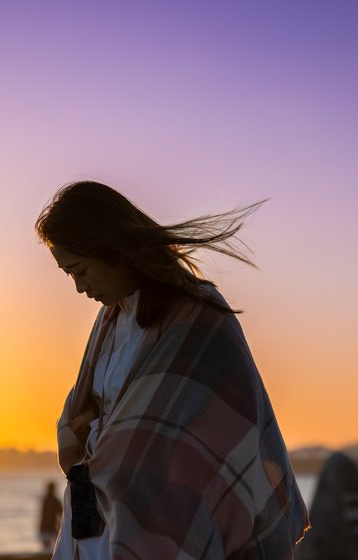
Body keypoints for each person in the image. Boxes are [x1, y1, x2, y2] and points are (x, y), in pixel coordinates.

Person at [35, 181, 309, 559]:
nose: (80, 287)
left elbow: (222, 435)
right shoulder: (109, 321)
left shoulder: (199, 316)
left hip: (169, 519)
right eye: (69, 275)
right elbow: (91, 421)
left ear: (112, 249)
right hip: (96, 521)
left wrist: (120, 453)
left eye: (81, 270)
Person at [39, 481, 63, 550]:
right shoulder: (56, 501)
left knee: (46, 548)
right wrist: (60, 527)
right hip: (51, 527)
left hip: (44, 526)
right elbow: (61, 515)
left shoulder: (45, 500)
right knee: (53, 549)